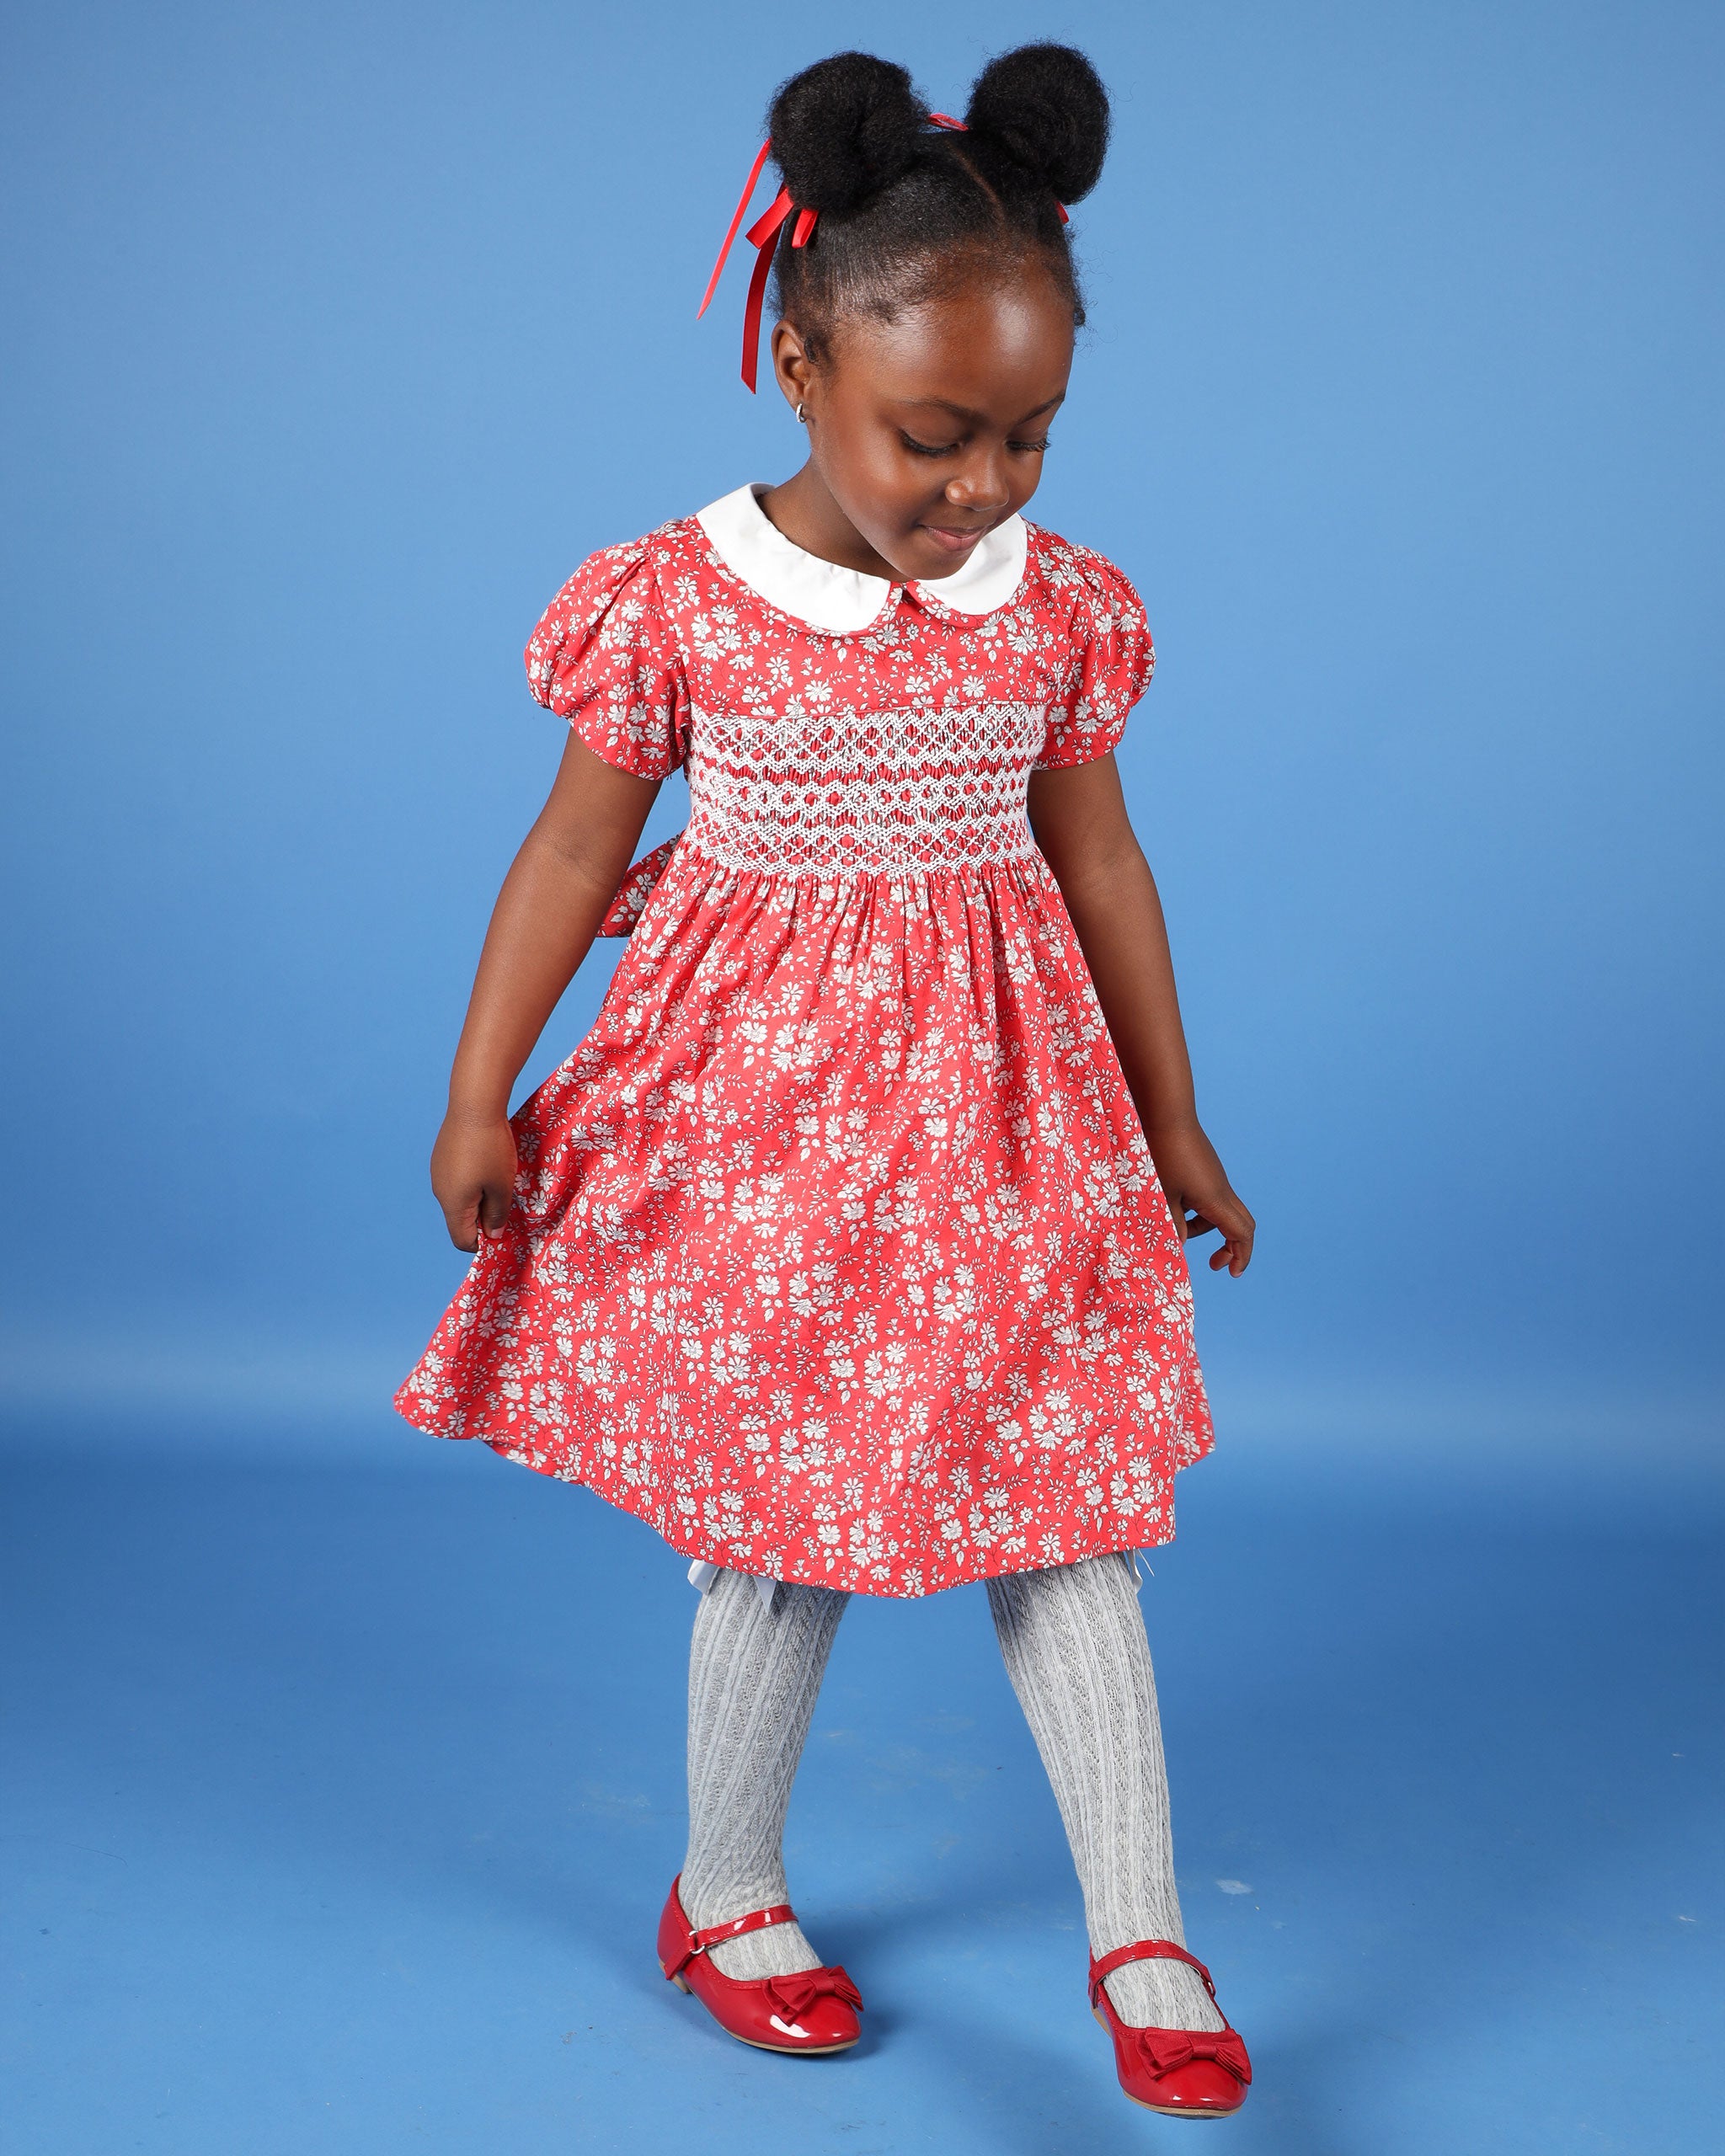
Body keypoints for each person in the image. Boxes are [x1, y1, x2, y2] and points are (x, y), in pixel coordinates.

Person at [397, 43, 1257, 2120]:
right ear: (798, 365)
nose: (979, 492)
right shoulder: (678, 601)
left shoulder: (1052, 610)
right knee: (782, 1519)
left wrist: (1169, 1108)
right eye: (932, 438)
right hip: (760, 1134)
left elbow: (1101, 857)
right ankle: (729, 1883)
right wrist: (477, 1088)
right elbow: (573, 853)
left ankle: (1139, 1921)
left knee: (1069, 1508)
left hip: (1005, 1118)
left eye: (1027, 441)